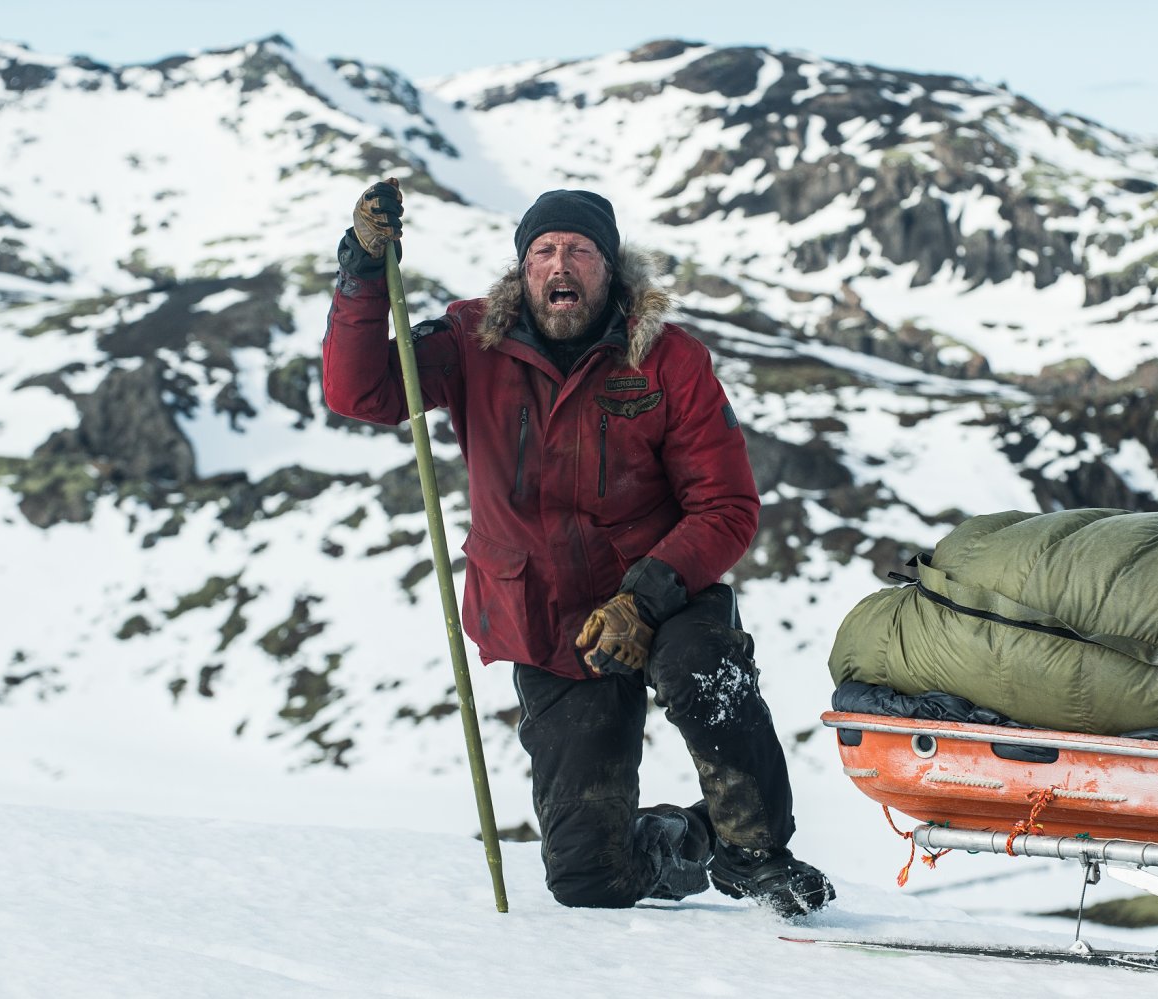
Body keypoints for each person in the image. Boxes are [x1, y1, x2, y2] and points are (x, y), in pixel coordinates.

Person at [322, 178, 834, 917]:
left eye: (580, 251)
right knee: (587, 879)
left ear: (610, 266)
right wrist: (364, 270)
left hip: (666, 592)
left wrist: (645, 595)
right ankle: (693, 839)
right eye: (544, 251)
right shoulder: (472, 342)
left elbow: (726, 506)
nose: (560, 266)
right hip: (549, 619)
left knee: (704, 667)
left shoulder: (669, 358)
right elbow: (359, 390)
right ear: (521, 269)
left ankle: (757, 855)